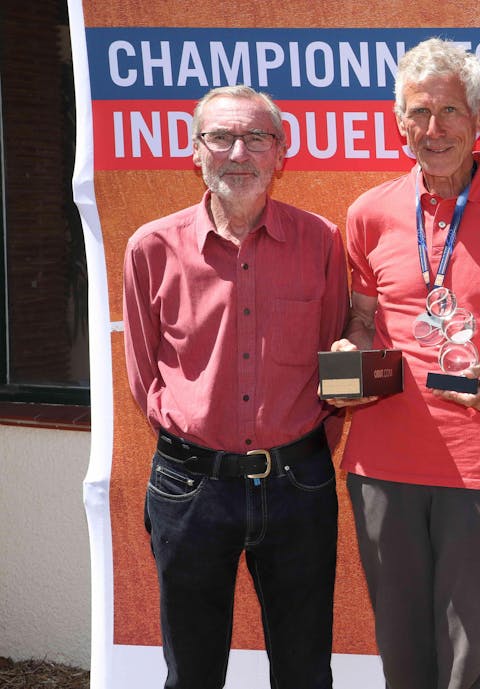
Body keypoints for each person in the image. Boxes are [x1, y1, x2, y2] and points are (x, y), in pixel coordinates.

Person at [328, 38, 480, 689]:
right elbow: (359, 315)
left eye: (449, 111)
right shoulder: (367, 213)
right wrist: (352, 356)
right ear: (398, 121)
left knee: (471, 659)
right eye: (418, 112)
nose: (433, 129)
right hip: (382, 462)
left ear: (479, 119)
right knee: (403, 657)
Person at [123, 85, 348, 689]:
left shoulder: (322, 241)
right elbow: (145, 376)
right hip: (189, 487)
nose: (239, 152)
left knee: (305, 673)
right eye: (220, 137)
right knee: (191, 674)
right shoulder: (150, 248)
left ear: (282, 154)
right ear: (197, 153)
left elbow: (333, 359)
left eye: (257, 137)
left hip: (298, 485)